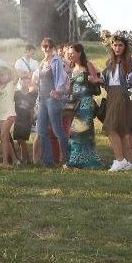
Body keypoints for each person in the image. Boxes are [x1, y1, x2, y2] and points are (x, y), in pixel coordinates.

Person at [101, 35, 132, 171]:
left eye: (120, 45)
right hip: (111, 96)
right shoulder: (109, 63)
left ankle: (120, 160)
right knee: (121, 131)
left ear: (125, 47)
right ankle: (131, 162)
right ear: (111, 46)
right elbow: (107, 83)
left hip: (123, 96)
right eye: (115, 45)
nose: (117, 48)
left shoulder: (130, 62)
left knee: (110, 127)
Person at [65, 43, 104, 169]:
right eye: (69, 53)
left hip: (86, 103)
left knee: (79, 131)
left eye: (72, 53)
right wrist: (59, 92)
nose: (70, 55)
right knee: (78, 131)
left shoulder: (87, 64)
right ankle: (82, 160)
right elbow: (71, 88)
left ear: (79, 53)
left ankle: (77, 161)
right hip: (76, 104)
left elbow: (96, 80)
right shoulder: (72, 68)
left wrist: (94, 79)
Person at [33, 38, 71, 168]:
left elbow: (61, 77)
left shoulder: (57, 61)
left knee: (57, 130)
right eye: (44, 46)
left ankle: (67, 159)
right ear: (41, 48)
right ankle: (48, 161)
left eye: (49, 46)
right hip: (42, 99)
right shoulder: (42, 63)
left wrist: (58, 91)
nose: (47, 49)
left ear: (53, 48)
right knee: (42, 130)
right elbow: (38, 81)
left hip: (53, 99)